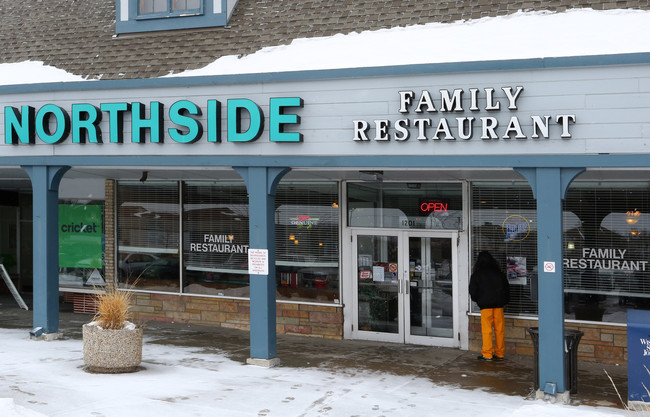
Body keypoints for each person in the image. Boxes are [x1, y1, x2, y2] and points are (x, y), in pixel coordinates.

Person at [469, 250, 510, 361]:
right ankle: (500, 353)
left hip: (485, 306)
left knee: (487, 330)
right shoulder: (499, 273)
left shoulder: (477, 274)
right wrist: (505, 301)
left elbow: (473, 291)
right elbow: (506, 289)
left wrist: (477, 300)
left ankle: (487, 354)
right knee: (499, 329)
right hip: (499, 305)